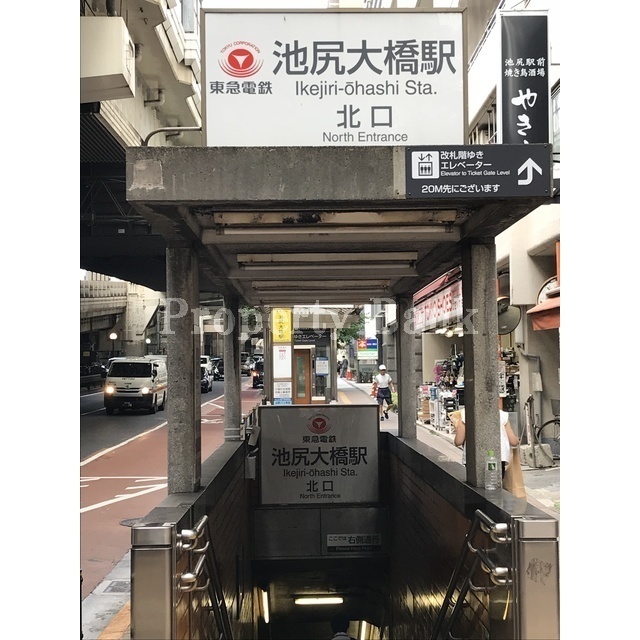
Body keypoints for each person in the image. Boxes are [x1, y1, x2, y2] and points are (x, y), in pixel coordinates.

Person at [452, 407, 519, 477]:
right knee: (496, 481)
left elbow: (458, 441)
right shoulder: (502, 414)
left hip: (474, 457)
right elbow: (513, 441)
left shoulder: (466, 413)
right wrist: (517, 439)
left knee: (475, 482)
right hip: (498, 457)